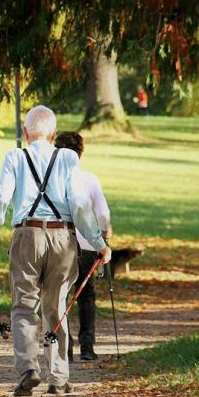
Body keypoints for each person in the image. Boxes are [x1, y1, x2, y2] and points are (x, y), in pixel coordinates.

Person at [0, 105, 112, 396]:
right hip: (62, 238)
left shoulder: (14, 157)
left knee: (23, 306)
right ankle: (58, 377)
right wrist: (99, 243)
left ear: (25, 132)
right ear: (53, 133)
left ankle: (29, 369)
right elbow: (81, 207)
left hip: (26, 235)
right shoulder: (68, 158)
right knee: (56, 307)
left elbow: (1, 199)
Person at [54, 131, 111, 362]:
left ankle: (64, 349)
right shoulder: (89, 179)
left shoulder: (52, 180)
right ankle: (87, 347)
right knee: (86, 294)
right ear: (81, 153)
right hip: (87, 244)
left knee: (61, 294)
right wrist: (105, 236)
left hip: (60, 242)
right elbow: (102, 214)